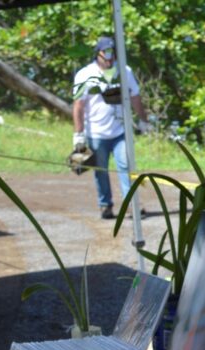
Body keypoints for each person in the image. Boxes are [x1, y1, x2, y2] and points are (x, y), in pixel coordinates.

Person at [72, 36, 149, 219]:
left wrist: (143, 121)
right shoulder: (85, 75)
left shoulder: (124, 71)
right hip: (96, 133)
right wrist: (78, 134)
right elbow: (78, 105)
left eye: (112, 53)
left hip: (120, 131)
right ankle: (105, 205)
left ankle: (131, 205)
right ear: (97, 54)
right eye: (105, 53)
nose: (109, 58)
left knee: (126, 166)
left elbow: (135, 97)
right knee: (101, 171)